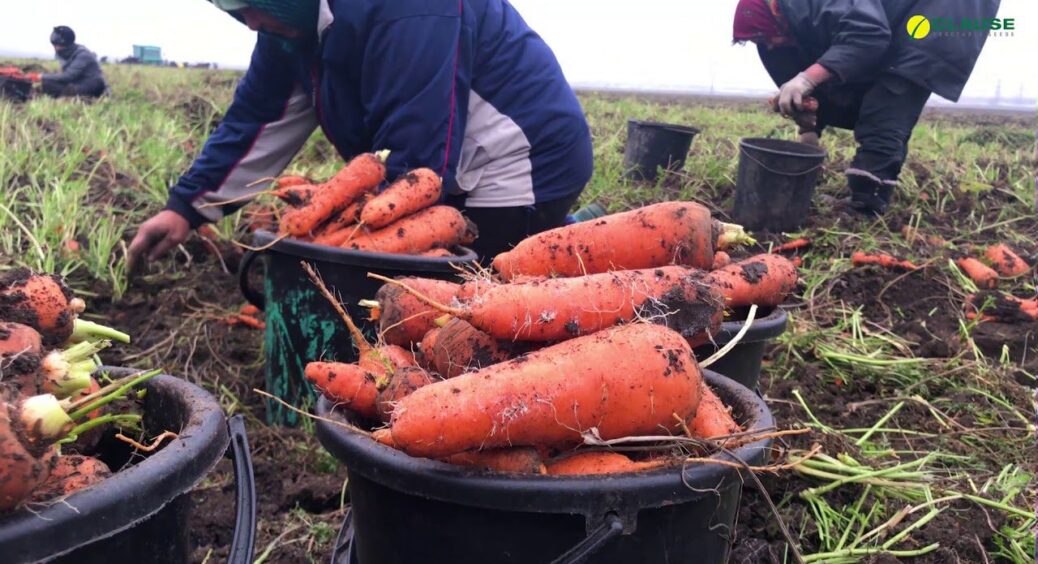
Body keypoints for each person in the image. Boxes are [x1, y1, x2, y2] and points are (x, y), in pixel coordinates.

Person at [128, 0, 593, 269]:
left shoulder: (410, 9)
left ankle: (577, 243)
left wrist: (354, 249)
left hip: (520, 159)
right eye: (234, 10)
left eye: (251, 5)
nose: (249, 21)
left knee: (480, 290)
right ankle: (576, 234)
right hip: (443, 157)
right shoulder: (291, 28)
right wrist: (185, 208)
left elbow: (416, 161)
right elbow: (256, 120)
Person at [733, 0, 998, 216]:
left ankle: (867, 203)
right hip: (895, 21)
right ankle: (868, 193)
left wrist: (806, 79)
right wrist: (808, 130)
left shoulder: (811, 5)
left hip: (941, 14)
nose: (770, 45)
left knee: (888, 104)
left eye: (766, 36)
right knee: (869, 93)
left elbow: (868, 35)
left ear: (776, 12)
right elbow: (831, 63)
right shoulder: (799, 20)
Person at [25, 26, 108, 99]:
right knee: (47, 83)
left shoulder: (83, 54)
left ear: (66, 43)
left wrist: (40, 76)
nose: (55, 48)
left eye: (57, 45)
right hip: (77, 82)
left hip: (92, 85)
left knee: (49, 85)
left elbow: (68, 76)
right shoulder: (64, 53)